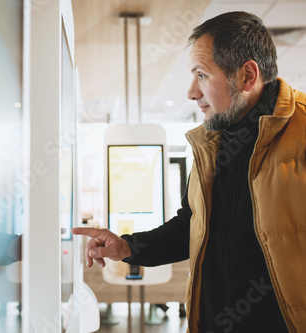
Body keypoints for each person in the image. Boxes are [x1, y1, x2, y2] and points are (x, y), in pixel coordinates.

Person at [72, 11, 306, 333]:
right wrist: (128, 247)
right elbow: (191, 224)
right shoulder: (212, 143)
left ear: (247, 76)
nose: (191, 92)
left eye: (202, 75)